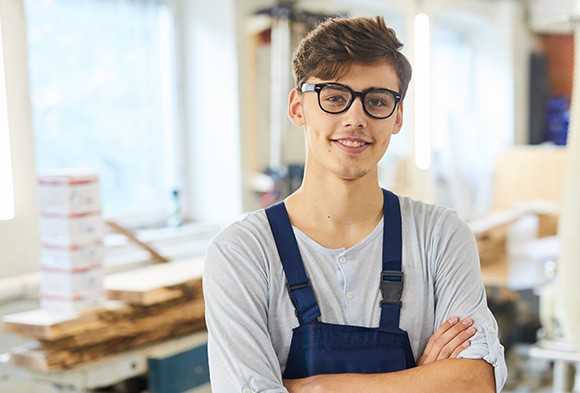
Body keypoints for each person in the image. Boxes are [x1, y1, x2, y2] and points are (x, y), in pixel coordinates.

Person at [203, 15, 506, 393]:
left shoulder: (440, 236)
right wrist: (420, 380)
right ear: (298, 107)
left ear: (397, 117)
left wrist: (316, 388)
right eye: (334, 97)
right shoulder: (242, 253)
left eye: (377, 101)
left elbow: (474, 383)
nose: (355, 118)